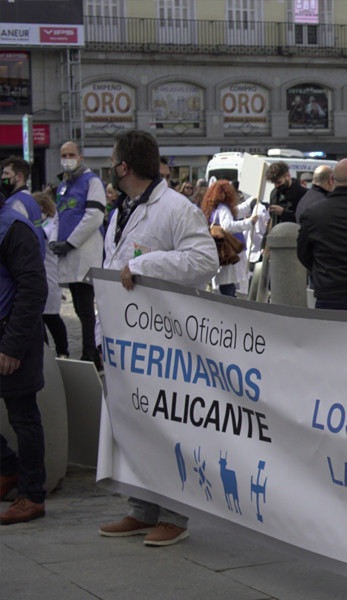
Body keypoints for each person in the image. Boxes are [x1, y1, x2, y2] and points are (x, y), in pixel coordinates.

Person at [99, 129, 219, 546]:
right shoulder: (121, 210)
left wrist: (147, 263)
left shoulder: (176, 208)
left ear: (124, 167)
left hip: (166, 340)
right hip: (126, 337)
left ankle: (174, 514)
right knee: (135, 424)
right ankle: (142, 507)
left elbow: (205, 260)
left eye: (113, 162)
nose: (111, 169)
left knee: (171, 425)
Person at [0, 188, 48, 524]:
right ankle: (7, 469)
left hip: (14, 335)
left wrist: (12, 346)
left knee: (23, 416)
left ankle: (32, 495)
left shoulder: (14, 229)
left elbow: (33, 288)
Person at [52, 141, 104, 369]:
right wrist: (55, 240)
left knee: (85, 310)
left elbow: (94, 216)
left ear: (80, 157)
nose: (67, 158)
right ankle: (90, 353)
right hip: (70, 256)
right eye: (64, 154)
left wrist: (70, 242)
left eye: (71, 154)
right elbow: (58, 216)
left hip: (84, 254)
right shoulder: (64, 184)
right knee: (80, 309)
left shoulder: (91, 181)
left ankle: (91, 354)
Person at [297, 158, 347, 310]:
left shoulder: (313, 212)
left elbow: (303, 253)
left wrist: (321, 268)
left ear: (332, 179)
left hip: (328, 290)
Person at [201, 180, 253, 296]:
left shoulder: (213, 209)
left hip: (220, 254)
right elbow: (228, 226)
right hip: (229, 252)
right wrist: (250, 222)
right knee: (228, 289)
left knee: (226, 287)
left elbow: (237, 211)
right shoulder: (223, 208)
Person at [33, 191, 69, 358]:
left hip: (50, 276)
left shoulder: (50, 224)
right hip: (40, 276)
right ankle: (46, 354)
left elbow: (44, 236)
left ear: (42, 207)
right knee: (39, 319)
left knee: (52, 318)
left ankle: (63, 352)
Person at [1, 157, 44, 250]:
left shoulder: (16, 203)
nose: (2, 177)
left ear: (19, 176)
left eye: (6, 173)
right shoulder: (30, 200)